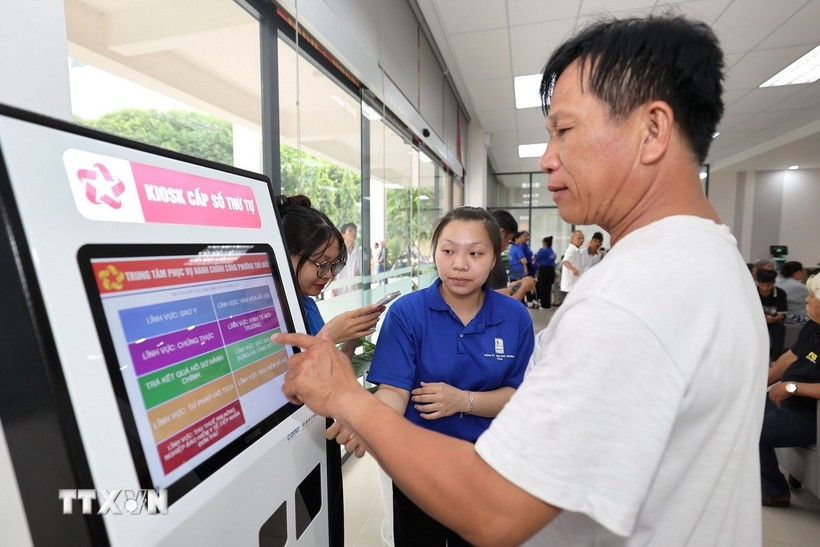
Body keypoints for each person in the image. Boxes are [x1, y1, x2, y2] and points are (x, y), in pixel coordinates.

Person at [278, 15, 767, 545]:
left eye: (564, 130)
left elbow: (494, 508)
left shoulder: (630, 298)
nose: (548, 157)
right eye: (448, 251)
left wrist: (346, 397)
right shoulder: (712, 261)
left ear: (652, 130)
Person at [334, 206, 534, 545]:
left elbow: (521, 397)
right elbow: (394, 391)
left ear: (494, 258)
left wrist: (463, 401)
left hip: (489, 464)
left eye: (475, 253)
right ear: (435, 252)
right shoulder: (408, 313)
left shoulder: (514, 317)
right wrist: (366, 420)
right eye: (448, 251)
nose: (459, 264)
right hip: (418, 466)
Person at [275, 195, 386, 547]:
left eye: (334, 266)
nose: (327, 277)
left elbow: (326, 371)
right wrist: (329, 335)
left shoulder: (306, 304)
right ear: (288, 255)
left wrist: (351, 338)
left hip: (316, 428)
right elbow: (286, 378)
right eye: (320, 265)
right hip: (287, 441)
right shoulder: (269, 305)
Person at [760, 274, 820, 507]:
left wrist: (791, 387)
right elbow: (791, 356)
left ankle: (774, 491)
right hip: (789, 400)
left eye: (812, 296)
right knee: (743, 416)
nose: (806, 299)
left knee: (756, 431)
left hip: (810, 415)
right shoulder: (813, 325)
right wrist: (759, 384)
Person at [487, 209, 536, 302]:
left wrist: (510, 289)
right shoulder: (491, 262)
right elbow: (500, 303)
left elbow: (488, 295)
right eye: (509, 240)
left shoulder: (483, 258)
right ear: (501, 234)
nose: (507, 245)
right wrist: (524, 288)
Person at [758, 268, 788, 361]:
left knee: (780, 328)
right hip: (756, 322)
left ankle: (776, 358)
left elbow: (782, 314)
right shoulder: (752, 292)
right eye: (762, 285)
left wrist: (773, 319)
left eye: (768, 285)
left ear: (774, 283)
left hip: (774, 321)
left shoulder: (780, 293)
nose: (765, 289)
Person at [331, 222, 361, 296]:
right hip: (339, 293)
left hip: (355, 293)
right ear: (343, 235)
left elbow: (360, 273)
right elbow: (332, 273)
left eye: (355, 230)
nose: (353, 233)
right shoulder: (337, 252)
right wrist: (333, 291)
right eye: (350, 230)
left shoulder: (359, 253)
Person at [558, 230, 584, 301]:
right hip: (569, 286)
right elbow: (565, 261)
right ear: (572, 238)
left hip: (574, 285)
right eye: (579, 238)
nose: (581, 240)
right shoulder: (571, 250)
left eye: (582, 238)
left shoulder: (577, 250)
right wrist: (573, 269)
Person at [534, 236, 556, 308]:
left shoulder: (543, 251)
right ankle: (547, 305)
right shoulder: (552, 251)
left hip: (544, 270)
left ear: (545, 243)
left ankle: (543, 305)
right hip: (551, 270)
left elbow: (535, 257)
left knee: (542, 287)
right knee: (548, 288)